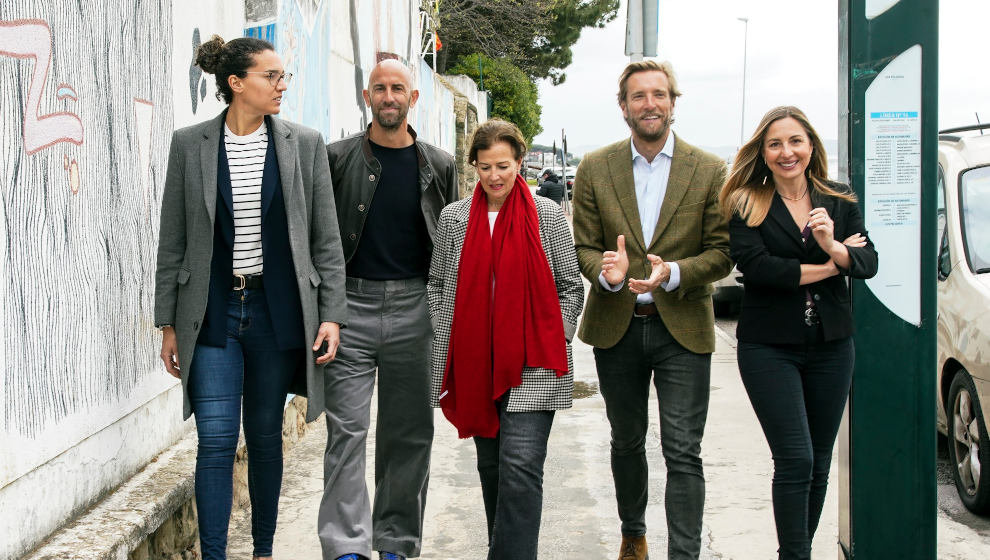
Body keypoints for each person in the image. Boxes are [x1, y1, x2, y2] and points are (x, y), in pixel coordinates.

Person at [154, 35, 346, 560]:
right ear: (237, 84)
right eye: (272, 76)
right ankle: (214, 555)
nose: (282, 85)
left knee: (263, 437)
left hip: (275, 311)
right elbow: (173, 239)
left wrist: (331, 315)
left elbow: (325, 240)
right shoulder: (189, 144)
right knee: (215, 441)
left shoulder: (303, 144)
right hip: (212, 312)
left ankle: (262, 551)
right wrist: (167, 322)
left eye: (284, 76)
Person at [571, 60, 732, 560]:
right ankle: (633, 533)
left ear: (673, 103)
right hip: (617, 326)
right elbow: (584, 245)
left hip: (681, 326)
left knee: (684, 449)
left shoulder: (708, 170)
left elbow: (722, 251)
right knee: (626, 442)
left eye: (659, 95)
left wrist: (675, 271)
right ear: (623, 107)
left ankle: (684, 554)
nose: (649, 104)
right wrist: (606, 272)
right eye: (638, 96)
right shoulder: (595, 167)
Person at [718, 106, 878, 560]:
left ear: (810, 146)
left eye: (795, 142)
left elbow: (868, 263)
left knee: (820, 462)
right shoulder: (748, 202)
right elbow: (757, 268)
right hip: (769, 347)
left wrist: (832, 245)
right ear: (763, 154)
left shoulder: (839, 198)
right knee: (796, 459)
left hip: (832, 345)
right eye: (775, 144)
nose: (786, 152)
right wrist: (832, 264)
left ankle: (796, 552)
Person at [318, 59, 458, 560]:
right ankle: (345, 546)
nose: (389, 96)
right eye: (380, 88)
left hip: (415, 308)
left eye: (398, 87)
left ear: (413, 98)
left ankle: (396, 541)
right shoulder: (336, 159)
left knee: (409, 432)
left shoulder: (439, 165)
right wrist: (326, 308)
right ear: (366, 96)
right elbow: (323, 240)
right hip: (349, 307)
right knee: (347, 432)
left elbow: (454, 244)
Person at [427, 119, 584, 559]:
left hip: (533, 363)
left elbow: (571, 286)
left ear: (520, 162)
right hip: (475, 361)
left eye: (503, 165)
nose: (494, 176)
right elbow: (437, 284)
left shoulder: (548, 216)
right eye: (484, 167)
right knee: (492, 466)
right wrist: (449, 329)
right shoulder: (454, 219)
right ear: (473, 166)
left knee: (521, 469)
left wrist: (555, 331)